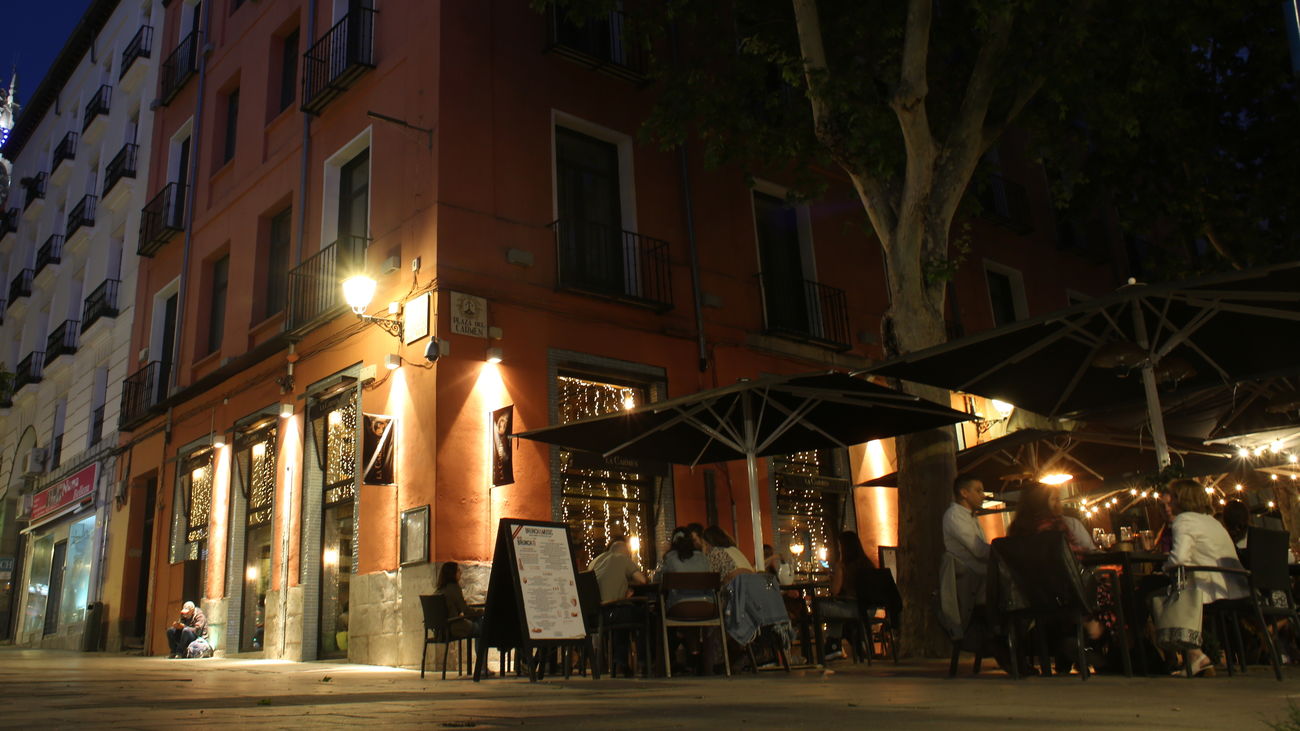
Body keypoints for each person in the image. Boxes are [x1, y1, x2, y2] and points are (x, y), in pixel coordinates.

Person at [1164, 478, 1249, 676]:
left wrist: (1164, 568)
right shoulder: (1212, 521)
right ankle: (1195, 656)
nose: (1169, 503)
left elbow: (1178, 558)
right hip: (1234, 584)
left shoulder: (1184, 521)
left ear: (1180, 499)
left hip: (1209, 586)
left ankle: (1194, 655)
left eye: (1172, 497)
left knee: (1155, 595)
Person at [655, 527, 715, 673]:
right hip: (707, 607)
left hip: (680, 608)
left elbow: (659, 580)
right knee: (690, 621)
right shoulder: (702, 557)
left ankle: (665, 663)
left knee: (659, 615)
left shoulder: (670, 558)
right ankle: (695, 657)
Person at [589, 540, 649, 676]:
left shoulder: (594, 562)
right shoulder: (622, 558)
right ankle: (643, 664)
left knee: (623, 610)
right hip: (613, 613)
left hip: (594, 616)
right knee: (642, 614)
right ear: (625, 552)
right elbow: (643, 580)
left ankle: (618, 663)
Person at [814, 531, 876, 661]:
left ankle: (833, 644)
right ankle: (844, 643)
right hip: (870, 609)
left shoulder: (842, 565)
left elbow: (835, 590)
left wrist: (832, 578)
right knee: (837, 611)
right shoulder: (868, 564)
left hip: (853, 608)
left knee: (821, 605)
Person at [943, 476, 990, 597]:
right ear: (964, 493)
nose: (983, 495)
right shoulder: (955, 515)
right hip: (970, 589)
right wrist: (1003, 551)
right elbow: (979, 550)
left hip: (978, 585)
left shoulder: (969, 516)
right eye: (978, 491)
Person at [434, 561, 483, 639]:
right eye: (458, 570)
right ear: (452, 573)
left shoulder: (439, 590)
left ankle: (480, 651)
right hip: (453, 627)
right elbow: (465, 609)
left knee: (477, 622)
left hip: (439, 632)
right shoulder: (453, 588)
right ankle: (481, 651)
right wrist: (479, 612)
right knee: (481, 626)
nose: (461, 572)